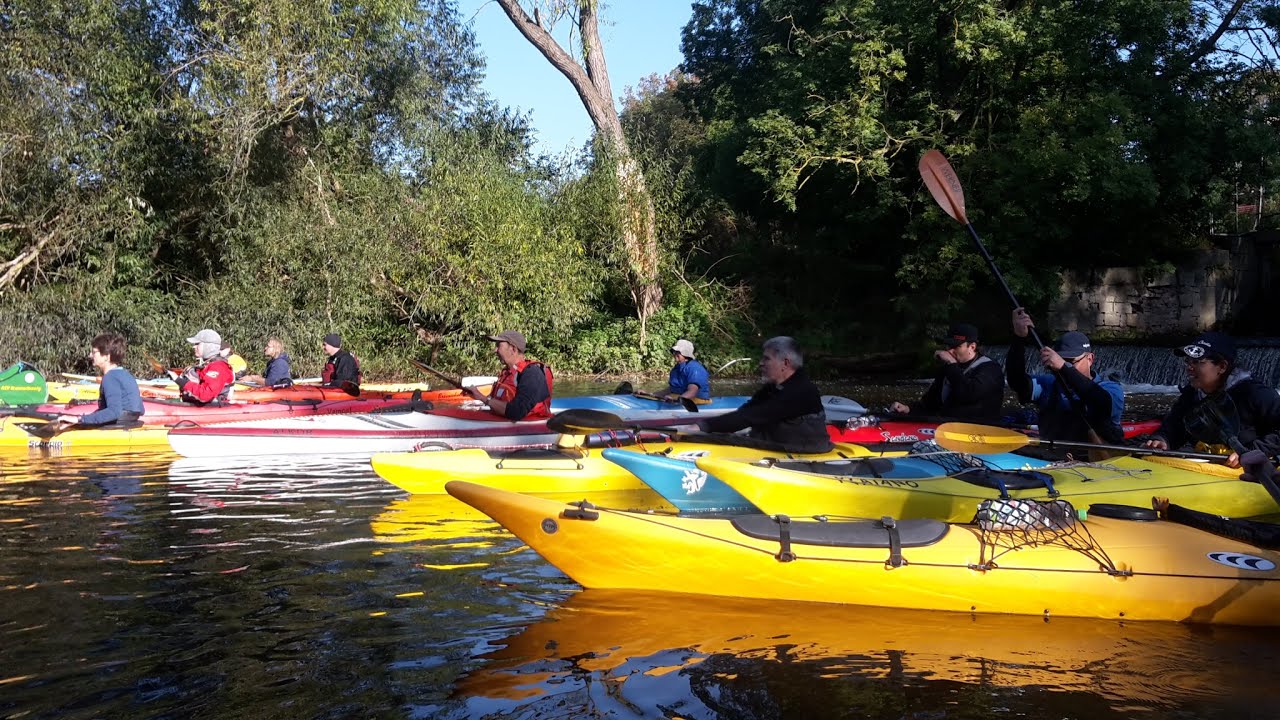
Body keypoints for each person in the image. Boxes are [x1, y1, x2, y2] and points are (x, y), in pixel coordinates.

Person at [1143, 331, 1280, 467]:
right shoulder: (1192, 394)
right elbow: (1175, 425)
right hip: (1210, 468)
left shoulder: (1256, 394)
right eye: (1188, 361)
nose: (1189, 368)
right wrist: (1162, 439)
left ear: (1222, 366)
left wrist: (1254, 451)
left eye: (1197, 362)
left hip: (1251, 473)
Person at [1005, 308, 1125, 443]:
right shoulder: (1049, 384)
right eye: (1062, 360)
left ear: (1090, 359)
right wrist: (1018, 339)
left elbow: (1100, 401)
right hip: (1053, 458)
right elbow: (1017, 382)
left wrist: (1062, 366)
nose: (1063, 366)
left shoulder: (1111, 389)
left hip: (1095, 460)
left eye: (1071, 362)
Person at [697, 336, 832, 453]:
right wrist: (703, 425)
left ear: (785, 363)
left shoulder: (801, 391)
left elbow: (751, 417)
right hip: (778, 447)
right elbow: (745, 412)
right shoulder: (772, 388)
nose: (761, 363)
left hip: (804, 456)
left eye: (766, 359)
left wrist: (702, 427)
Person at [889, 322, 1004, 422]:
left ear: (972, 347)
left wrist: (951, 364)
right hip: (949, 429)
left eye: (956, 346)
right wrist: (908, 409)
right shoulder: (948, 369)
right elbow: (930, 403)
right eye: (949, 345)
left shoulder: (990, 369)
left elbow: (968, 394)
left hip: (981, 430)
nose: (950, 350)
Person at [56, 333, 145, 428]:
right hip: (130, 424)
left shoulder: (110, 377)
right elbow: (141, 410)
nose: (90, 355)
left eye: (94, 352)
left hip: (117, 428)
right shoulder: (126, 374)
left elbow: (114, 411)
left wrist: (79, 419)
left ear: (107, 356)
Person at [464, 330, 554, 421]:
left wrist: (483, 398)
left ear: (513, 349)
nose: (495, 350)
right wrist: (476, 396)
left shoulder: (532, 373)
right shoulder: (507, 373)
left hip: (530, 427)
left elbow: (517, 411)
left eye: (499, 345)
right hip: (503, 421)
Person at [174, 328, 234, 404]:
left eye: (197, 344)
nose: (194, 347)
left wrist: (179, 381)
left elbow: (205, 395)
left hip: (213, 409)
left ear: (208, 347)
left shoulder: (219, 367)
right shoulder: (208, 364)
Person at [658, 338, 711, 404]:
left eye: (678, 354)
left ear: (685, 354)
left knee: (671, 397)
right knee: (669, 396)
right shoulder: (675, 370)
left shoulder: (694, 368)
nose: (675, 356)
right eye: (674, 353)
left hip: (698, 399)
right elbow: (672, 389)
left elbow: (692, 391)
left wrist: (677, 400)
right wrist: (652, 394)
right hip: (681, 396)